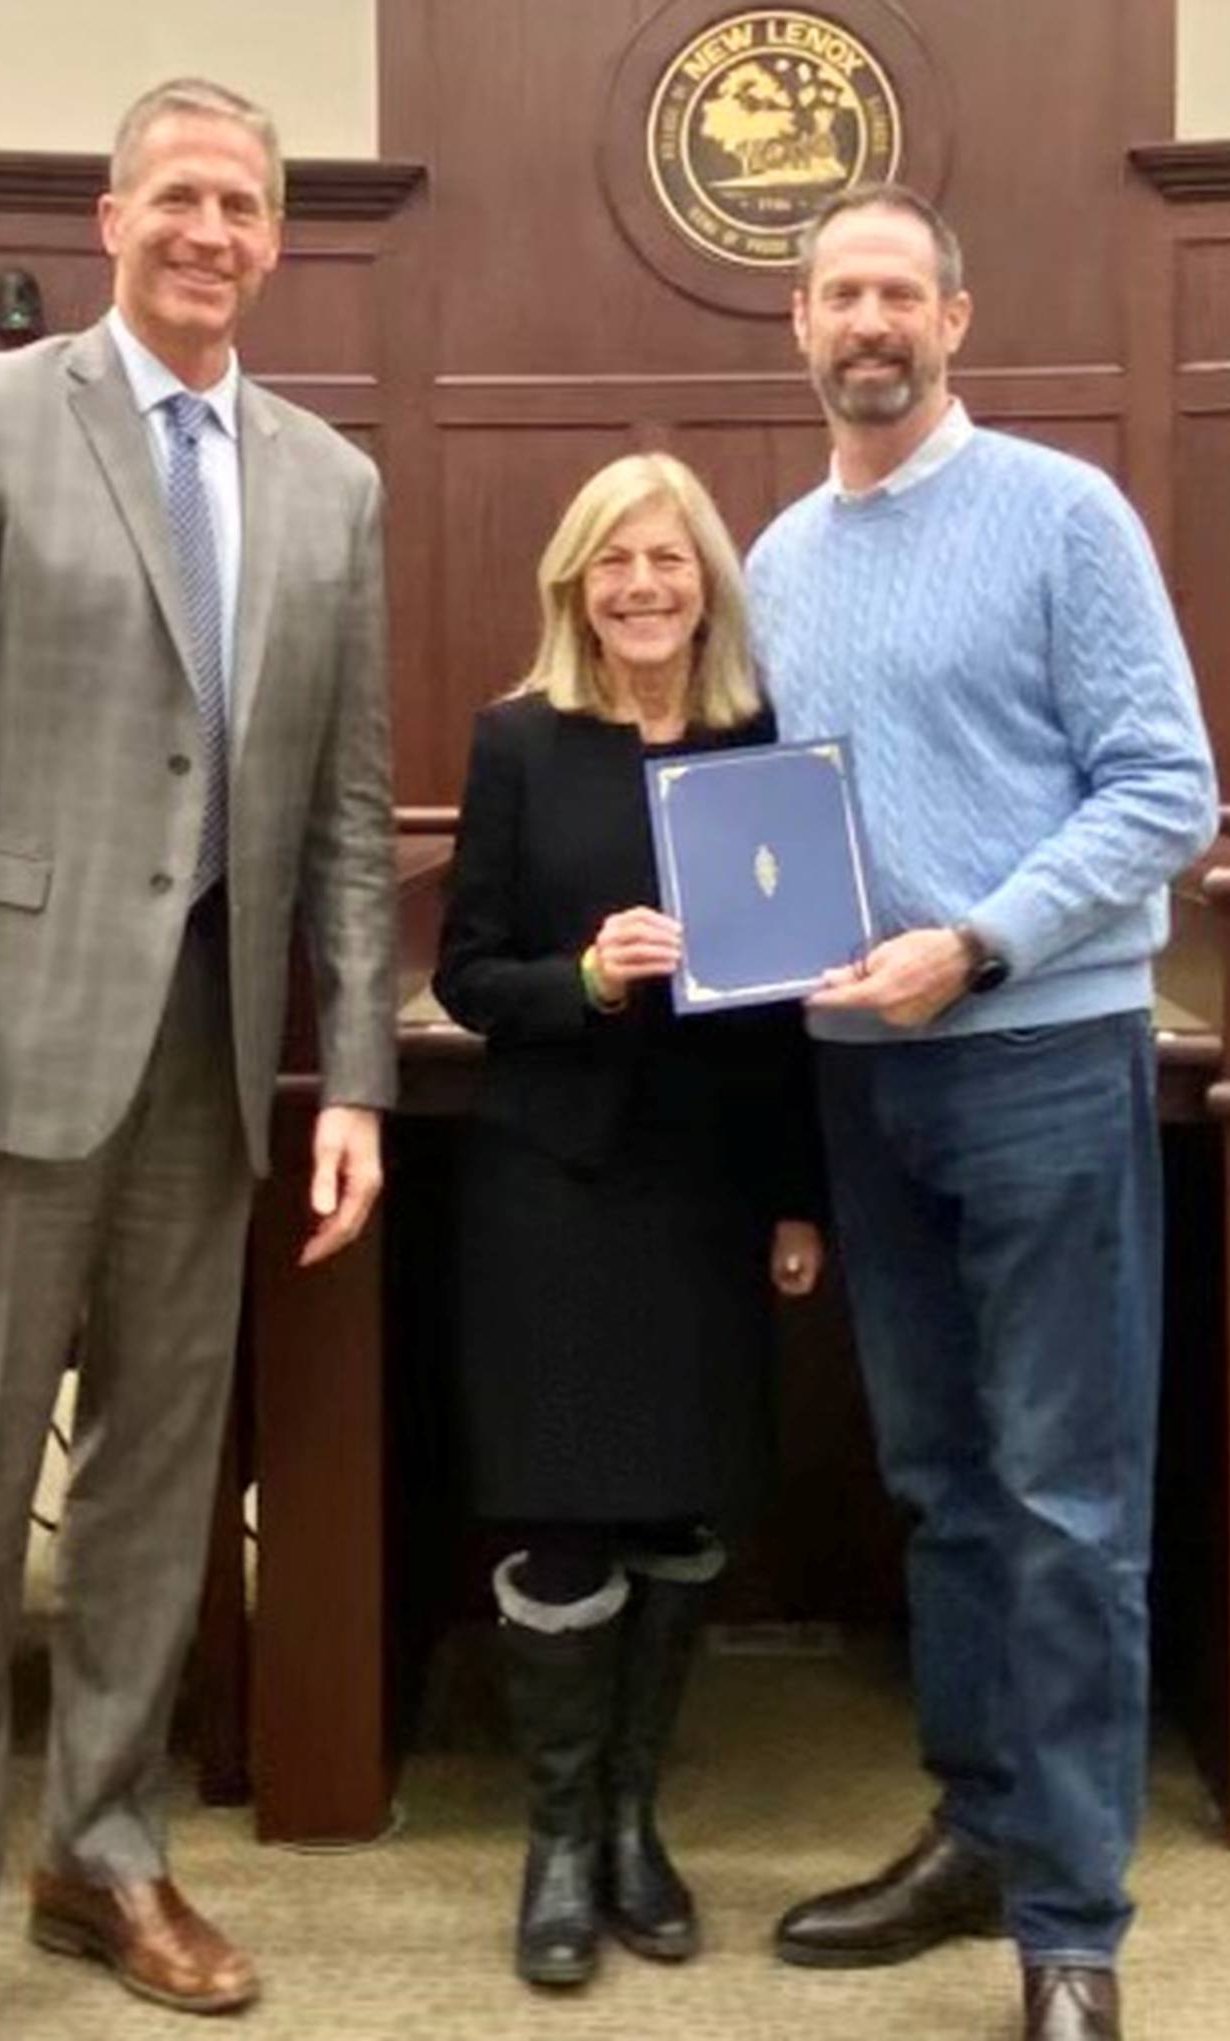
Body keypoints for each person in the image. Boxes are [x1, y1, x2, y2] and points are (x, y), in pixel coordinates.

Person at [0, 76, 394, 2041]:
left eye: (243, 201)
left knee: (160, 1491)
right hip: (0, 1067)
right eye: (179, 193)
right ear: (110, 213)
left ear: (275, 239)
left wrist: (358, 1093)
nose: (210, 228)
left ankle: (107, 1846)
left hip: (214, 1064)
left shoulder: (330, 480)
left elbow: (345, 810)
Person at [744, 183, 1217, 2041]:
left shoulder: (1058, 513)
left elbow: (1168, 785)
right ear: (801, 327)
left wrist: (983, 943)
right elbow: (776, 829)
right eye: (837, 293)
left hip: (1036, 1053)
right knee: (941, 1482)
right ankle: (981, 1825)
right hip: (867, 1078)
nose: (868, 320)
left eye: (898, 291)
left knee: (1066, 1500)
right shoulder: (777, 557)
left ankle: (1075, 1925)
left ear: (957, 313)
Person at [434, 452, 825, 1990]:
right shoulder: (522, 741)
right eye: (616, 563)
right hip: (556, 1181)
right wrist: (587, 980)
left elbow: (794, 1000)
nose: (645, 585)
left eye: (669, 559)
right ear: (575, 585)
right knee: (562, 1507)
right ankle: (555, 1837)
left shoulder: (763, 740)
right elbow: (470, 973)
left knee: (680, 1507)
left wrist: (797, 1194)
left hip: (712, 1186)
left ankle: (632, 1819)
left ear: (705, 580)